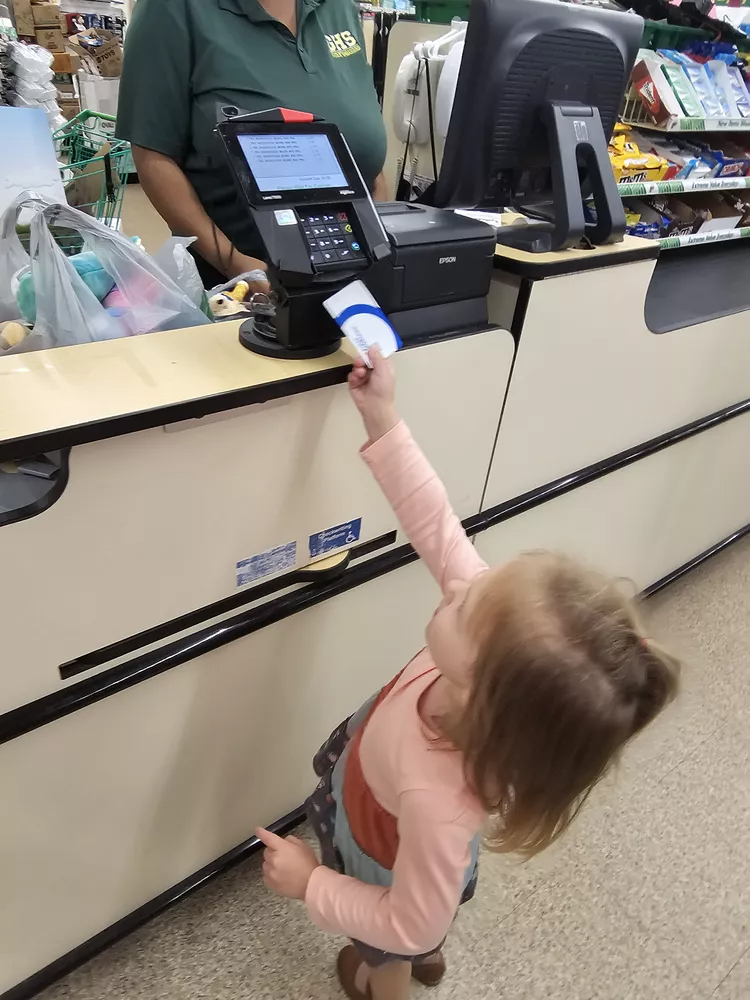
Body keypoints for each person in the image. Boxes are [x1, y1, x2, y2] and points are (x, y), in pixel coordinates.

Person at [256, 350, 681, 1000]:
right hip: (387, 803)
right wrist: (384, 418)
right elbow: (435, 524)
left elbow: (409, 915)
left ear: (482, 695)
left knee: (394, 947)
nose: (460, 584)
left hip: (383, 848)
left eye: (468, 603)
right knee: (429, 908)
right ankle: (427, 959)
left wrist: (312, 880)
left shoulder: (437, 805)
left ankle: (384, 984)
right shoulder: (491, 659)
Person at [116, 0, 388, 288]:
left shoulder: (338, 7)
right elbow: (154, 154)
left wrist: (384, 240)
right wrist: (239, 266)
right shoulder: (173, 9)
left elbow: (361, 136)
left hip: (359, 273)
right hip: (243, 292)